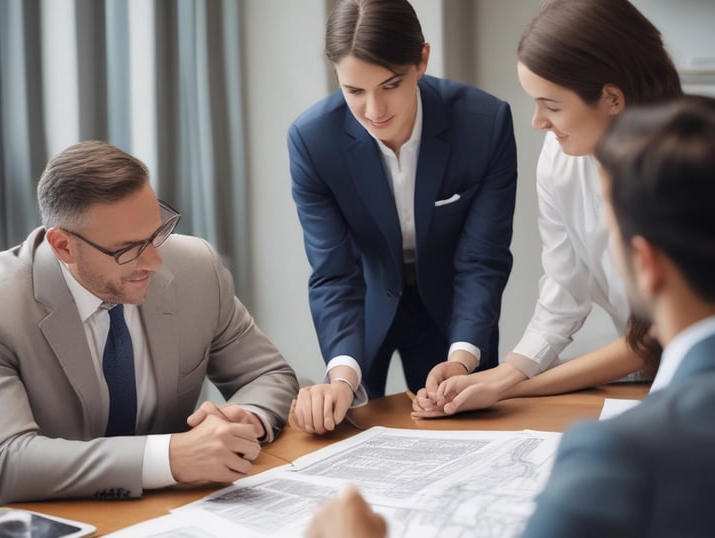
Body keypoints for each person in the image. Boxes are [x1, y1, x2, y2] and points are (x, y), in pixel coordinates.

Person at [305, 94, 715, 538]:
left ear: (646, 263)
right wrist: (505, 383)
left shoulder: (618, 458)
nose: (538, 119)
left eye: (608, 225)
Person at [0, 140, 299, 505]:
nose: (154, 262)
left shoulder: (196, 268)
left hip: (171, 509)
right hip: (31, 519)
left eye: (156, 234)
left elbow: (268, 374)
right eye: (128, 249)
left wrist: (243, 419)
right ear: (63, 246)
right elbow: (5, 463)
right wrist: (169, 457)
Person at [413, 0, 682, 418]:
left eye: (552, 105)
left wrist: (509, 387)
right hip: (651, 379)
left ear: (612, 97)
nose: (538, 121)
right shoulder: (560, 157)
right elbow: (564, 283)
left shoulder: (687, 170)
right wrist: (504, 375)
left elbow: (649, 337)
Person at [288, 0, 517, 433]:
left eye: (390, 85)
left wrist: (462, 356)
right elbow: (335, 273)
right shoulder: (312, 141)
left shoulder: (484, 125)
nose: (374, 110)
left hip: (454, 308)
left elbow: (482, 260)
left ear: (422, 61)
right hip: (366, 305)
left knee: (463, 434)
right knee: (349, 434)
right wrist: (340, 376)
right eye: (354, 91)